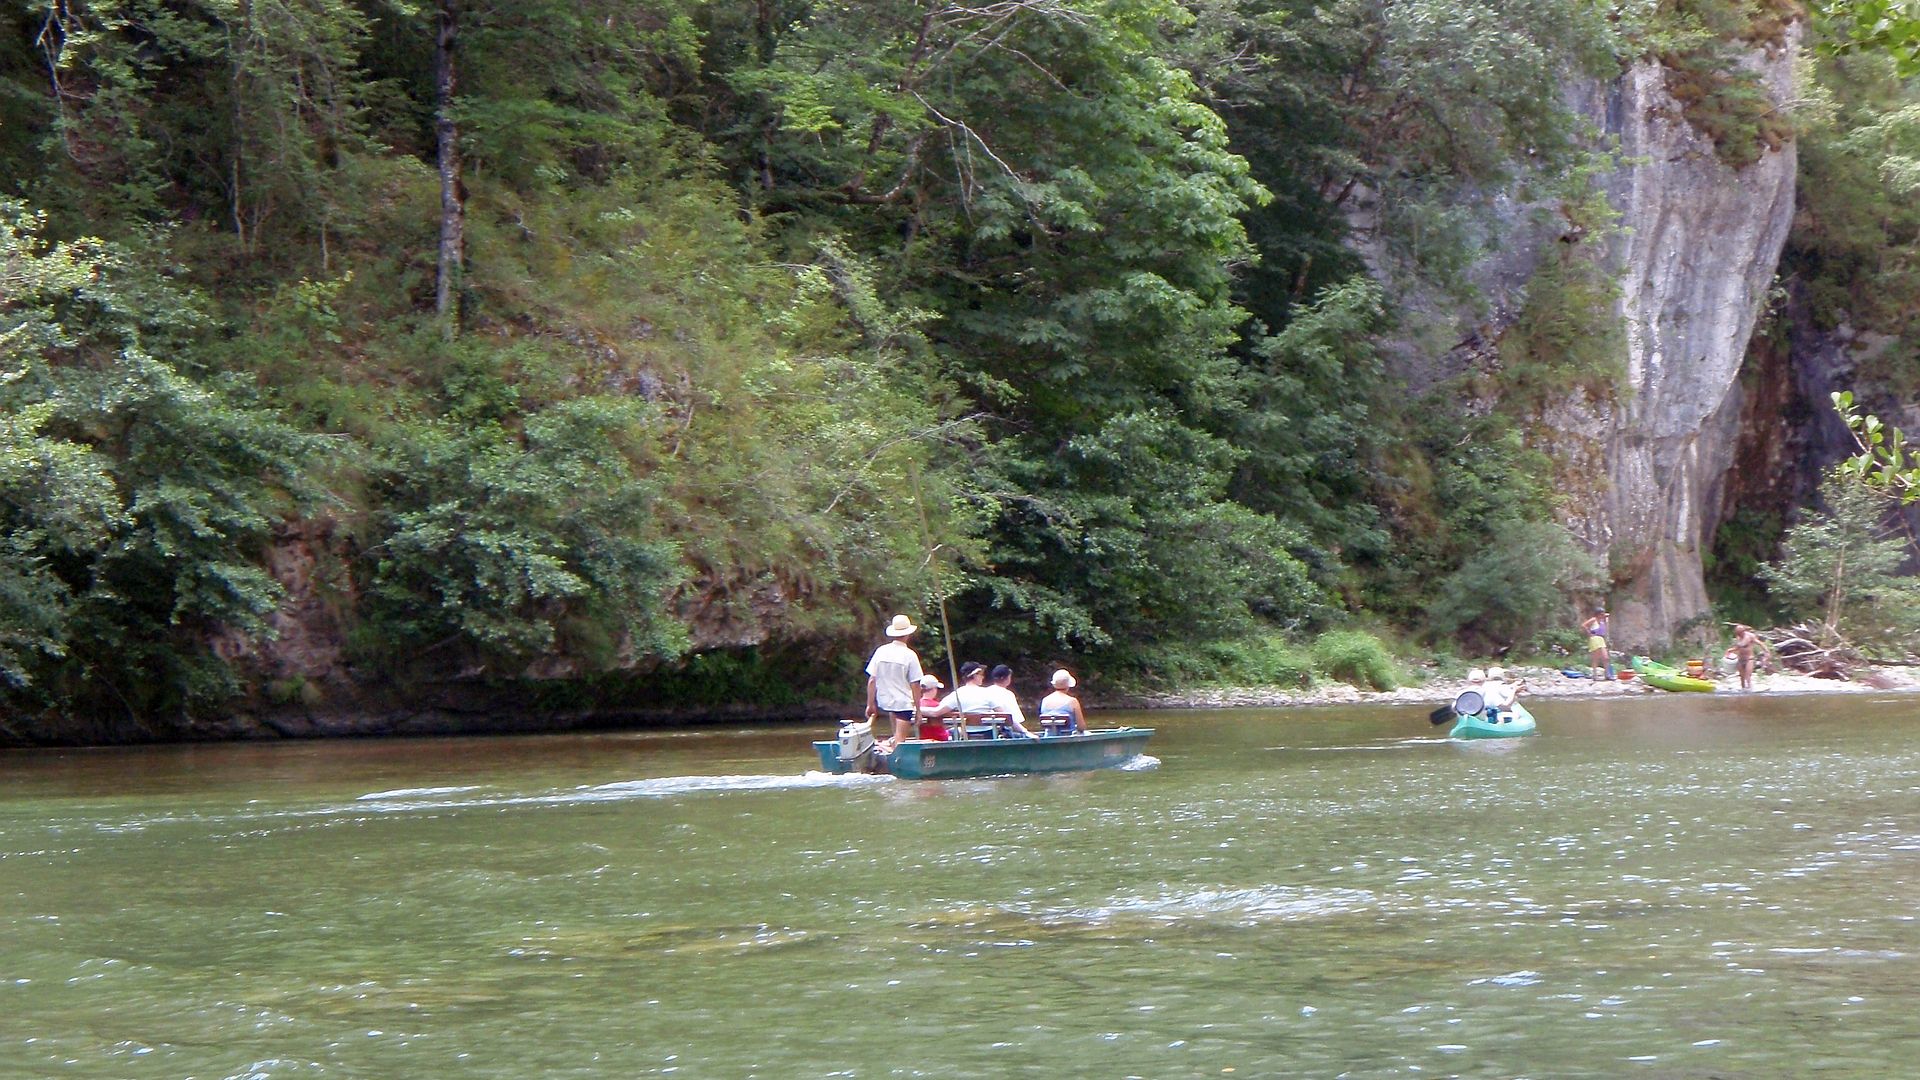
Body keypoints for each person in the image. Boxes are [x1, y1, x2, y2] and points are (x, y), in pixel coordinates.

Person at [864, 614, 925, 750]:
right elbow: (915, 685)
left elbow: (872, 680)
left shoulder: (881, 651)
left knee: (895, 735)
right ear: (908, 634)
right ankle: (892, 757)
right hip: (903, 703)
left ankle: (884, 751)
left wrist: (870, 704)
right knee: (900, 741)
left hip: (885, 701)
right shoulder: (910, 655)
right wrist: (918, 710)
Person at [1037, 668, 1088, 735]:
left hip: (1049, 737)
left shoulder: (1045, 700)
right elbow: (1081, 727)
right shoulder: (1073, 701)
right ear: (1068, 685)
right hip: (1068, 738)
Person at [1731, 624, 1772, 692]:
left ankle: (1750, 689)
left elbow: (1760, 643)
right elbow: (1737, 647)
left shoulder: (1750, 636)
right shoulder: (1738, 637)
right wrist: (1730, 650)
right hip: (1740, 659)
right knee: (1741, 677)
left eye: (1739, 633)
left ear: (1743, 631)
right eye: (1737, 633)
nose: (1738, 635)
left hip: (1749, 659)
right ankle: (1743, 690)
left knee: (1748, 676)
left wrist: (1767, 652)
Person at [912, 674, 951, 741]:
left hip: (923, 738)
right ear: (934, 689)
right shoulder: (937, 705)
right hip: (940, 738)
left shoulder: (917, 705)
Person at [1581, 608, 1611, 680]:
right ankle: (1595, 675)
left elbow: (1606, 627)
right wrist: (1589, 633)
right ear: (1598, 614)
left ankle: (1607, 675)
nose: (1603, 615)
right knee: (1596, 657)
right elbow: (1584, 625)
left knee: (1605, 658)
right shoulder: (1594, 619)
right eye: (1602, 614)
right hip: (1595, 638)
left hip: (1601, 639)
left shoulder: (1602, 621)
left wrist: (1606, 618)